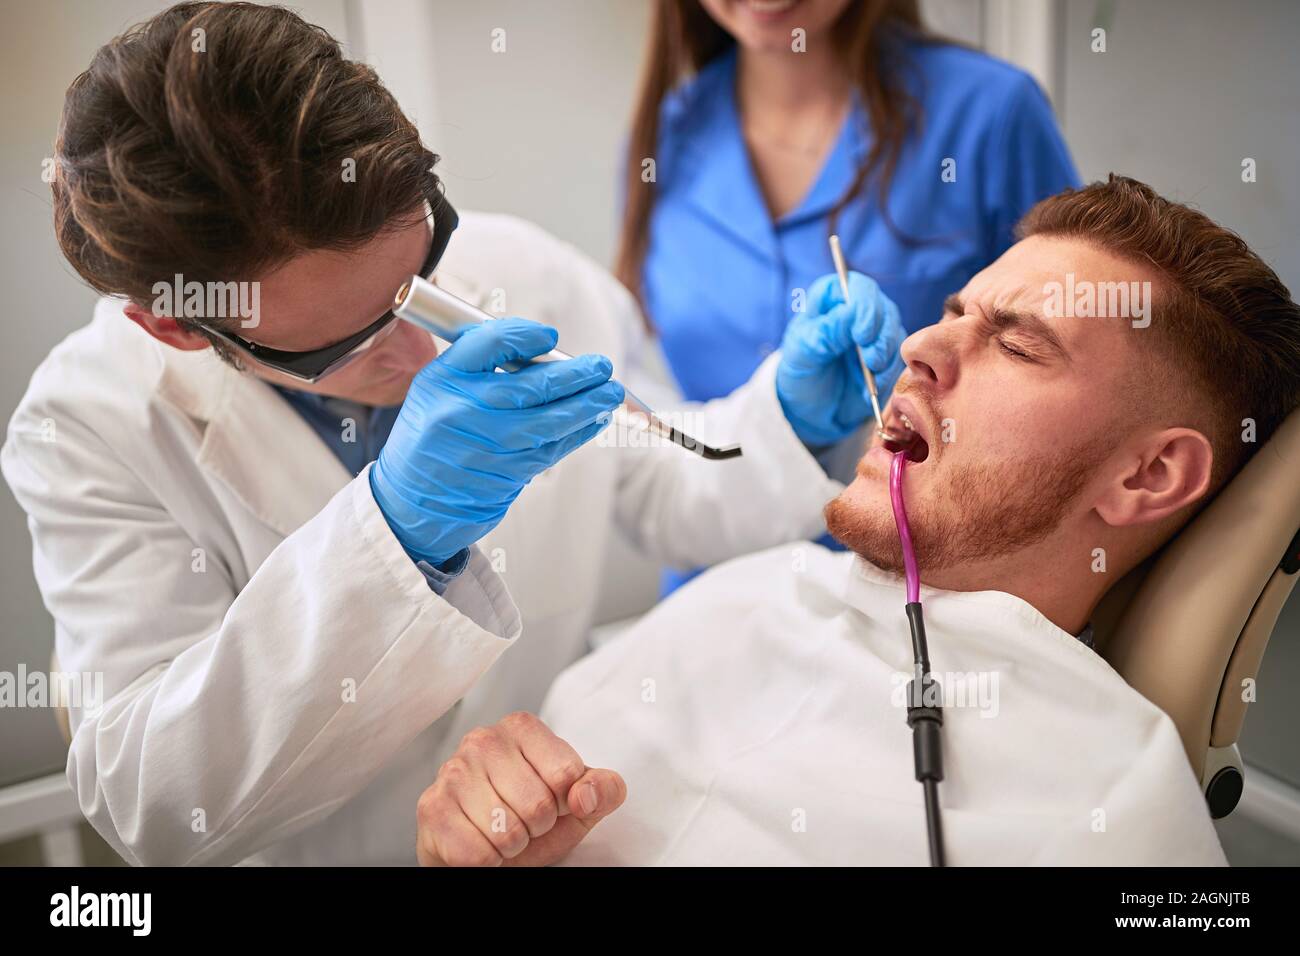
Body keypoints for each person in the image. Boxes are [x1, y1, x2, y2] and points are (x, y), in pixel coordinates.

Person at [1, 2, 899, 866]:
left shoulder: (523, 269)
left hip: (556, 837)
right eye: (349, 341)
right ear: (181, 327)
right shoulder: (86, 429)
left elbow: (667, 488)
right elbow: (154, 804)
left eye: (420, 270)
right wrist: (396, 537)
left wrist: (785, 419)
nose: (425, 345)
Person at [413, 176, 1300, 866]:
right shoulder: (738, 599)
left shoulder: (1111, 812)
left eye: (1019, 344)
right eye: (955, 311)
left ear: (1147, 475)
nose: (920, 346)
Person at [615, 0, 1080, 593]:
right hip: (716, 586)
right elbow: (659, 427)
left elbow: (1077, 366)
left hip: (922, 590)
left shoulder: (990, 115)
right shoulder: (666, 138)